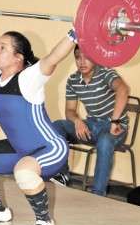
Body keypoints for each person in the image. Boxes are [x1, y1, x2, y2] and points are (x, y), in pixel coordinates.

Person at [0, 5, 76, 225]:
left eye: (3, 48)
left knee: (24, 171)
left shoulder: (29, 78)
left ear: (18, 58)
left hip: (50, 149)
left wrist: (77, 32)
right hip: (19, 149)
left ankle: (45, 222)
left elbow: (54, 57)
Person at [50, 44, 129, 197]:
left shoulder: (105, 73)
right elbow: (70, 111)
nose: (82, 62)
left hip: (115, 127)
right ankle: (62, 174)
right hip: (91, 125)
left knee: (105, 140)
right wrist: (78, 121)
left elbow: (123, 89)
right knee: (57, 126)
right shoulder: (73, 80)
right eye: (78, 58)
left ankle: (98, 194)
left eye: (86, 58)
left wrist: (114, 121)